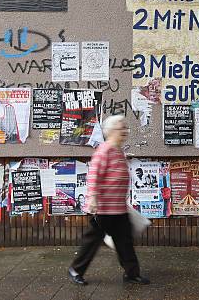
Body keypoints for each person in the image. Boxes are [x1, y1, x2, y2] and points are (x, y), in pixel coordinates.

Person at [68, 115, 150, 286]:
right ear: (112, 131)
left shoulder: (118, 150)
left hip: (119, 208)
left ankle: (131, 273)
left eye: (125, 128)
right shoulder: (104, 150)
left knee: (124, 242)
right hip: (104, 208)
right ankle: (76, 269)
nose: (125, 131)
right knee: (92, 240)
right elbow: (93, 176)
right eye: (122, 129)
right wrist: (93, 199)